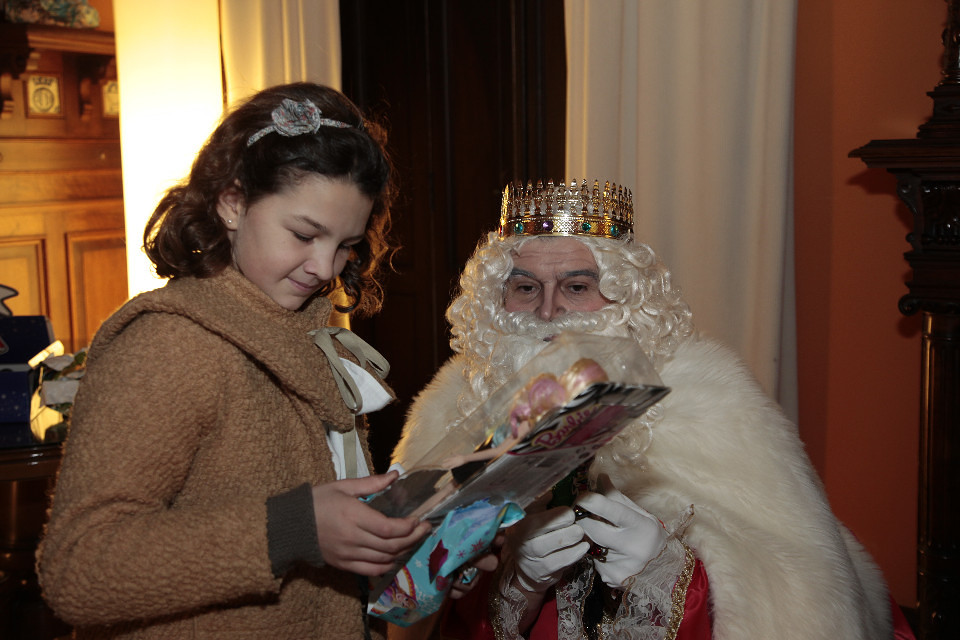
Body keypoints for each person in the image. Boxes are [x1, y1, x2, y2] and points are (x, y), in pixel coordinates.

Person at [390, 179, 916, 639]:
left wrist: (666, 573)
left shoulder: (709, 396)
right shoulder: (453, 408)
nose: (549, 311)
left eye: (578, 286)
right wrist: (516, 587)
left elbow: (800, 591)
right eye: (525, 288)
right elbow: (411, 608)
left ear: (627, 296)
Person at [36, 83, 434, 639]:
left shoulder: (307, 330)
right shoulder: (169, 344)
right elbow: (77, 569)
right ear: (232, 203)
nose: (325, 267)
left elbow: (327, 545)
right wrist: (290, 531)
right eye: (304, 234)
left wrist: (420, 552)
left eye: (346, 244)